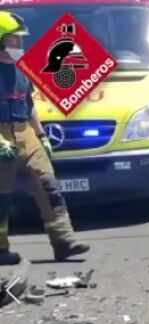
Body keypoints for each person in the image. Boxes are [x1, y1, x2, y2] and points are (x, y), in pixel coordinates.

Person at [0, 11, 89, 266]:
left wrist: (41, 135)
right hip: (1, 135)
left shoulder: (21, 70)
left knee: (48, 185)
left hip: (25, 132)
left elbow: (29, 106)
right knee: (1, 197)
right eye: (15, 39)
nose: (20, 43)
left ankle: (64, 241)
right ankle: (0, 249)